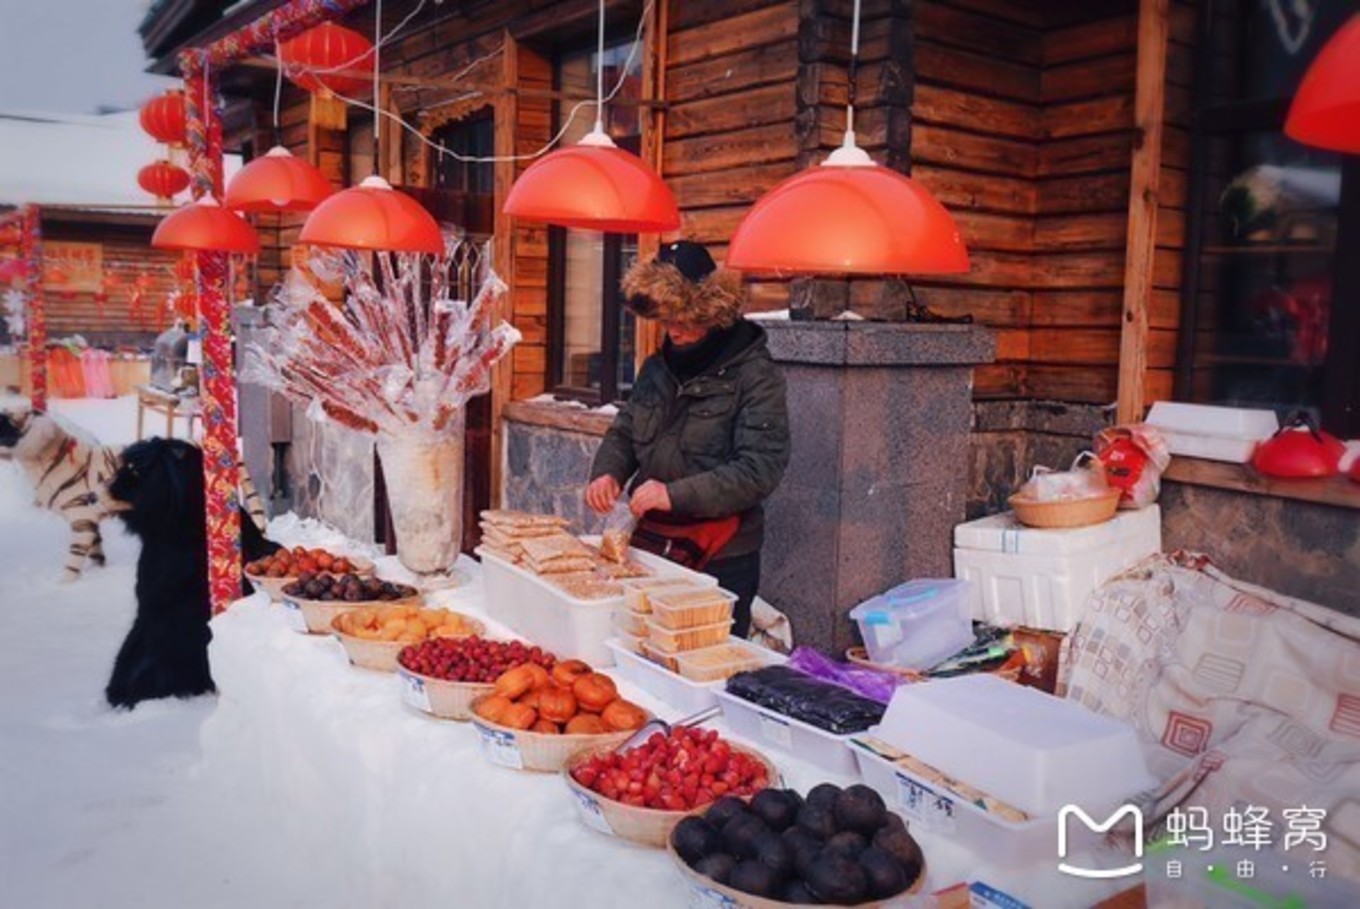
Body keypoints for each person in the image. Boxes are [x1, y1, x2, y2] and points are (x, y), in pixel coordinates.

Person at [585, 241, 790, 638]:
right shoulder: (658, 367)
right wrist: (607, 471)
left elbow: (760, 469)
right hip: (655, 542)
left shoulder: (756, 376)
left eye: (684, 319)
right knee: (646, 649)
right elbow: (626, 430)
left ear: (711, 313)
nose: (674, 330)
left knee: (705, 659)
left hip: (722, 556)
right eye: (665, 320)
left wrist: (673, 494)